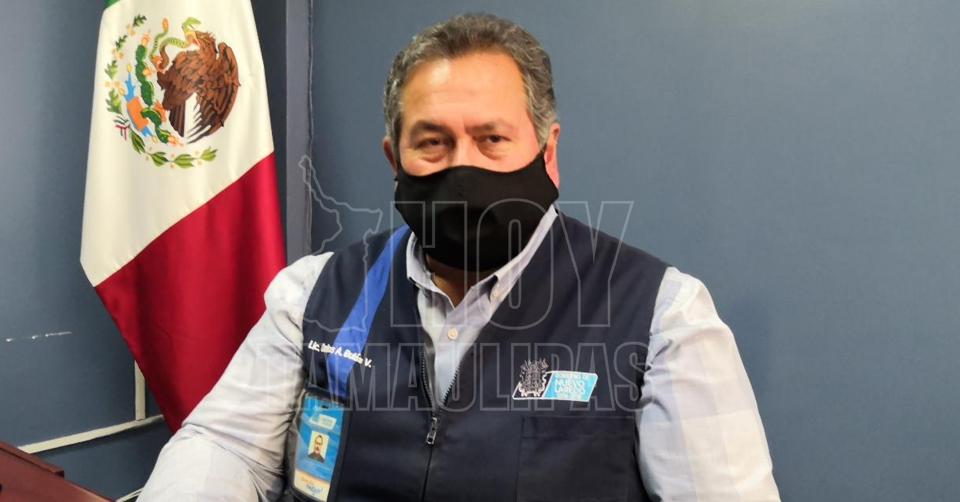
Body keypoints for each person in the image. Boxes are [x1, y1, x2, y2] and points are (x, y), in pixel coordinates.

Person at [140, 13, 781, 501]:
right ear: (394, 161)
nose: (462, 169)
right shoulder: (312, 295)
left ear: (547, 153)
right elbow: (225, 445)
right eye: (433, 143)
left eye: (492, 139)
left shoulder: (663, 316)